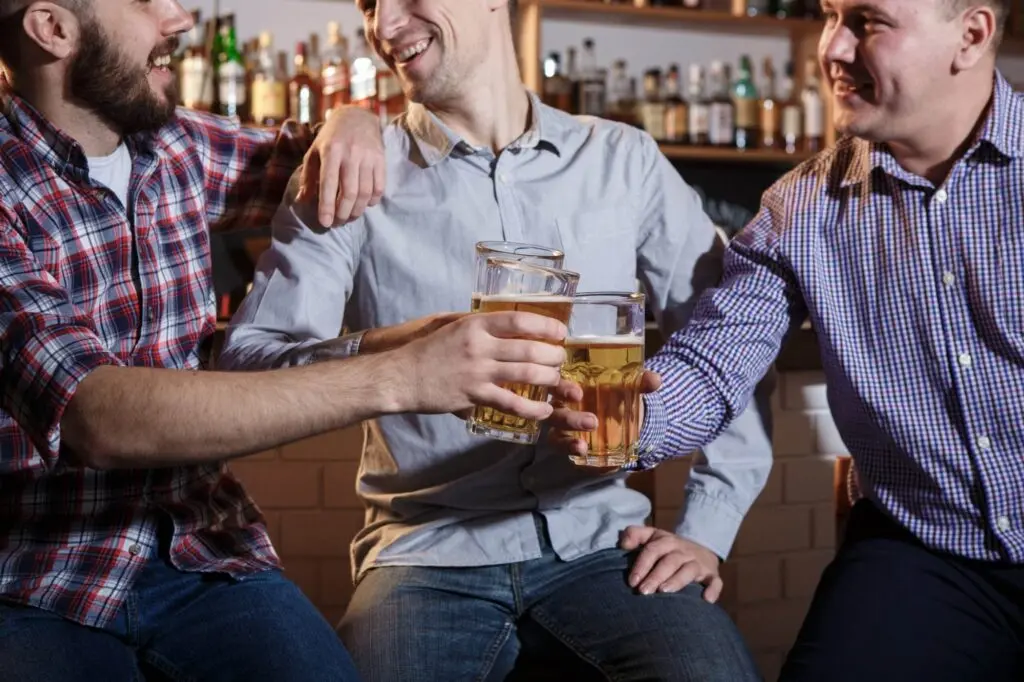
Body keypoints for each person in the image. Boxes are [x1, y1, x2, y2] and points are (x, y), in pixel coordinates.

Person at [0, 0, 571, 680]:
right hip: (35, 573)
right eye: (148, 0)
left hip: (202, 552)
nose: (180, 18)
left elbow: (335, 160)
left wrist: (350, 120)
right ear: (53, 28)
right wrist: (403, 375)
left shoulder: (177, 147)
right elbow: (98, 415)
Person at [220, 0, 775, 679]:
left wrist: (704, 532)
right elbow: (248, 366)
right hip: (423, 553)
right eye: (368, 4)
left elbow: (735, 339)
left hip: (602, 541)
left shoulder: (622, 161)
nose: (383, 24)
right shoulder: (354, 166)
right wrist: (400, 354)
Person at [549, 0, 1024, 680]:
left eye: (867, 22)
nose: (831, 48)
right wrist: (619, 417)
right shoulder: (799, 210)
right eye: (830, 16)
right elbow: (712, 367)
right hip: (923, 549)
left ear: (970, 35)